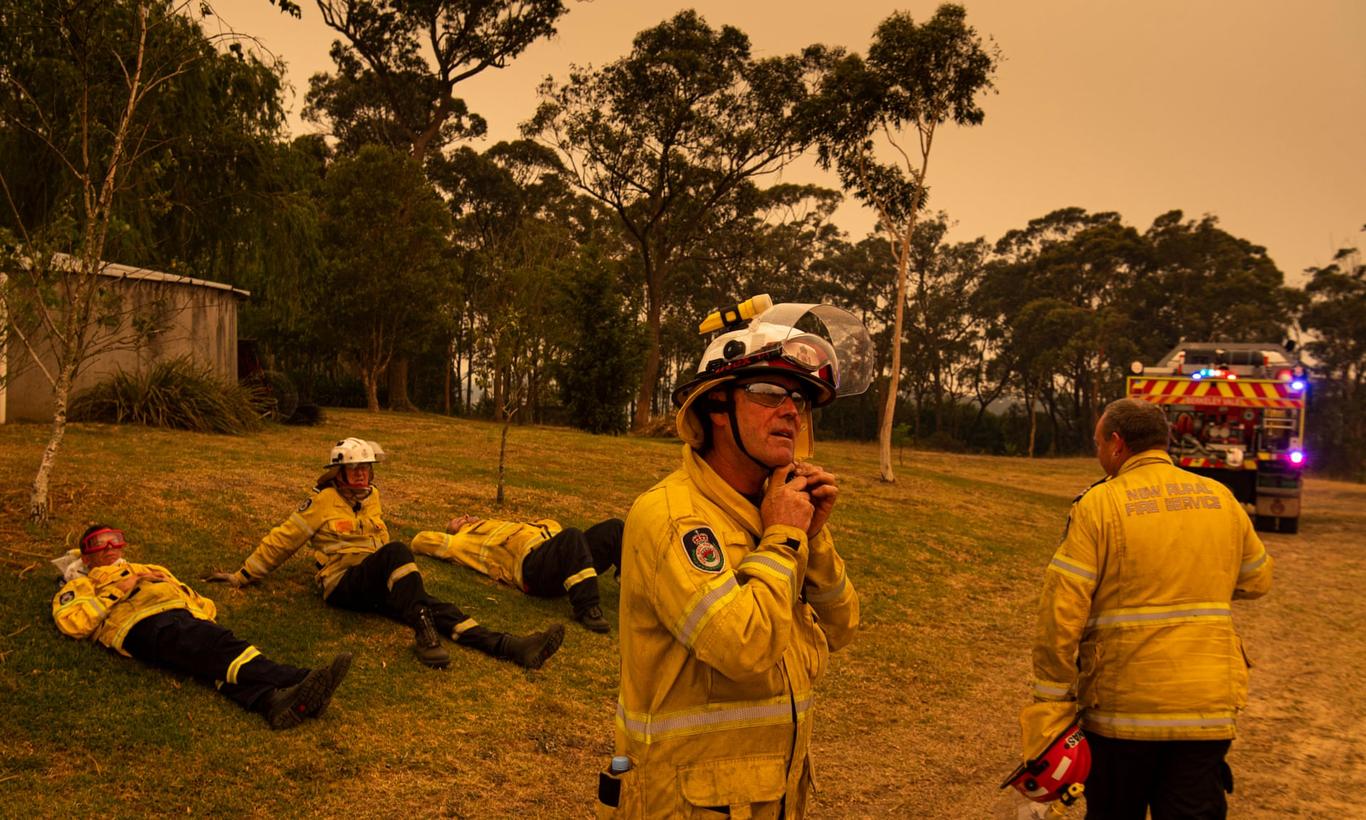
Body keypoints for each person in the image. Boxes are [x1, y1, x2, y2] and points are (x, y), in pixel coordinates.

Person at [603, 297, 874, 818]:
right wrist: (783, 540)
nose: (791, 410)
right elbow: (741, 647)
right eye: (769, 392)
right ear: (717, 408)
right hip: (683, 804)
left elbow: (841, 628)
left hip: (769, 797)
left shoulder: (777, 511)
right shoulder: (673, 517)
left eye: (800, 399)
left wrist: (811, 540)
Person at [1023, 398, 1274, 819]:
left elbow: (1061, 611)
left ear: (1117, 444)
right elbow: (1257, 579)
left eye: (1098, 442)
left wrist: (1052, 701)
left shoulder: (1098, 505)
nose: (1098, 451)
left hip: (1123, 713)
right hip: (1207, 708)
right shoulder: (1221, 498)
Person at [207, 438, 564, 671]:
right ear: (339, 472)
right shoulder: (320, 503)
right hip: (343, 583)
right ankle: (425, 635)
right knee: (399, 555)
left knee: (431, 603)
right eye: (354, 469)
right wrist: (243, 575)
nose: (362, 475)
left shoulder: (371, 497)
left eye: (366, 468)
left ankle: (511, 646)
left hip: (376, 579)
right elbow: (282, 540)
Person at [53, 524, 352, 730]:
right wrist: (119, 590)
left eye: (114, 539)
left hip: (178, 616)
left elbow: (195, 598)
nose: (109, 548)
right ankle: (301, 678)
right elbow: (74, 623)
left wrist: (198, 615)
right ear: (86, 555)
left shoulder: (149, 569)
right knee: (215, 645)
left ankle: (274, 703)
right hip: (140, 624)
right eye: (97, 544)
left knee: (209, 666)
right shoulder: (80, 583)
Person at [411, 515, 623, 633]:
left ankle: (630, 581)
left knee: (615, 528)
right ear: (454, 530)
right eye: (458, 520)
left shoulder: (502, 524)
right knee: (572, 536)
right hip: (531, 568)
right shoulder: (464, 541)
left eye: (465, 515)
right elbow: (420, 541)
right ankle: (588, 608)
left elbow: (552, 525)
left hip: (560, 556)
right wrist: (453, 533)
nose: (465, 516)